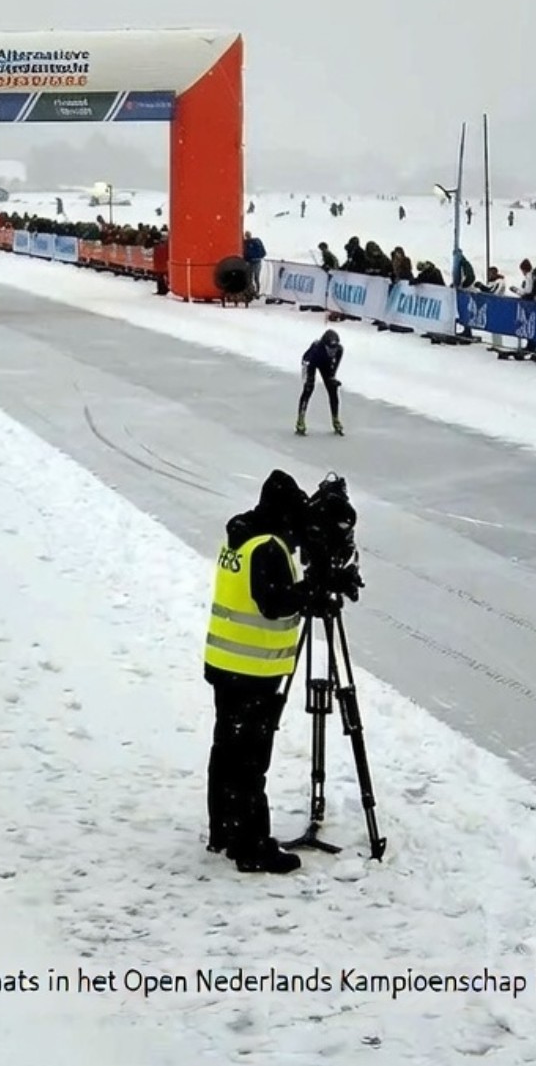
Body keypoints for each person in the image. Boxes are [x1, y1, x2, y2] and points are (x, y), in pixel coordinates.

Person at [202, 470, 314, 875]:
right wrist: (311, 589)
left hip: (225, 663)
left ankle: (224, 831)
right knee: (249, 760)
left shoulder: (241, 535)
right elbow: (273, 603)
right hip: (251, 670)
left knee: (227, 751)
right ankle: (251, 846)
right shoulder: (267, 547)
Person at [297, 329, 344, 437]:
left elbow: (334, 366)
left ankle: (335, 419)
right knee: (309, 389)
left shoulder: (339, 350)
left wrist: (332, 377)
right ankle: (300, 420)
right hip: (310, 363)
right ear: (324, 346)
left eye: (334, 349)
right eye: (330, 349)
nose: (333, 352)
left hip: (326, 364)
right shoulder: (316, 350)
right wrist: (307, 380)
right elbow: (306, 364)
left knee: (333, 390)